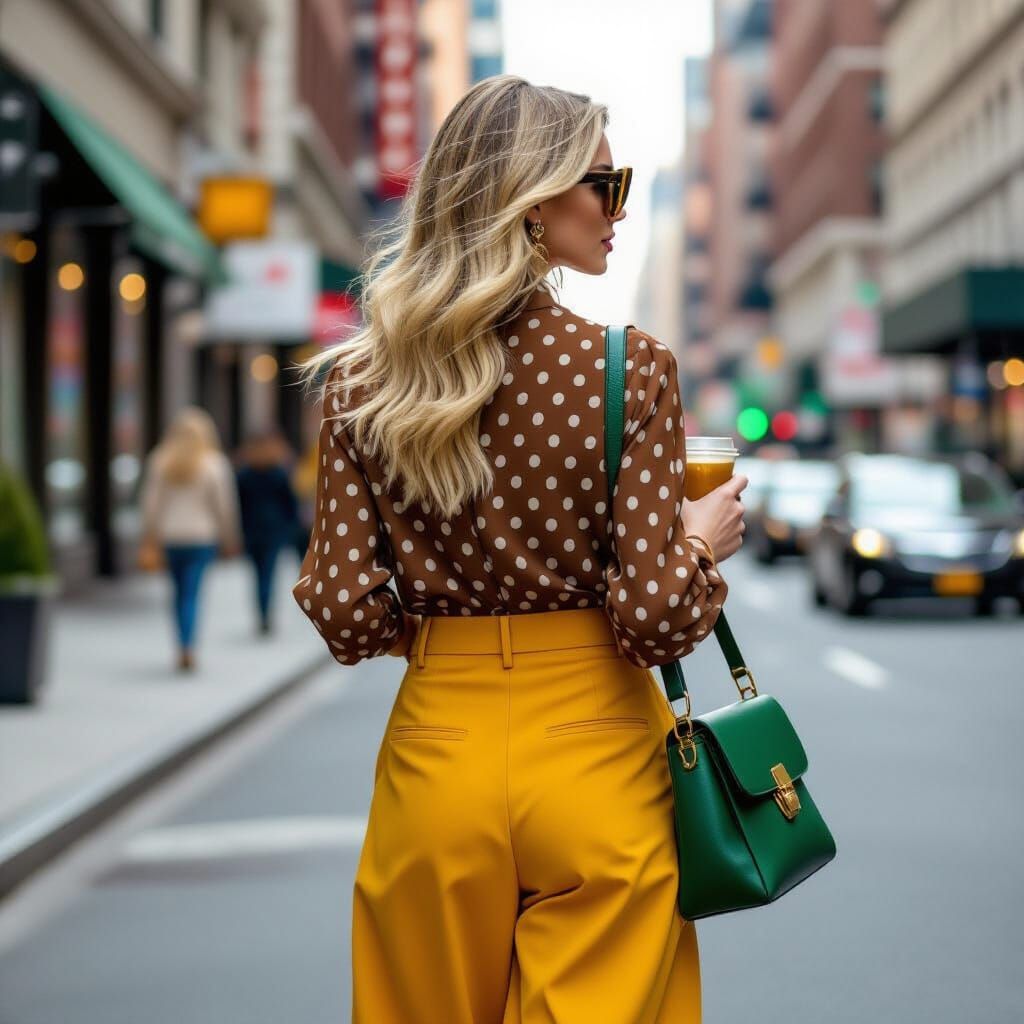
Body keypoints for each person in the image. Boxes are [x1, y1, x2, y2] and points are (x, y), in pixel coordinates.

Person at [294, 75, 746, 1023]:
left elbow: (341, 610)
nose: (616, 207)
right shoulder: (627, 369)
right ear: (532, 199)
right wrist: (700, 544)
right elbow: (654, 619)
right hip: (598, 758)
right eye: (603, 184)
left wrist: (444, 631)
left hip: (437, 755)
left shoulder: (361, 382)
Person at [140, 407, 241, 672]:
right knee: (192, 594)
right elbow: (225, 506)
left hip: (171, 538)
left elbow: (150, 505)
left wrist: (150, 534)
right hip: (201, 538)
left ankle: (181, 644)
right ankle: (188, 645)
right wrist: (230, 537)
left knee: (177, 593)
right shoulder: (214, 464)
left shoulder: (160, 460)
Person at [235, 429, 300, 634]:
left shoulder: (245, 473)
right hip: (273, 530)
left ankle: (261, 613)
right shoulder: (278, 472)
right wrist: (291, 526)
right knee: (269, 573)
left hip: (252, 530)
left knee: (257, 575)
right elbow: (290, 503)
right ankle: (266, 614)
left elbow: (238, 504)